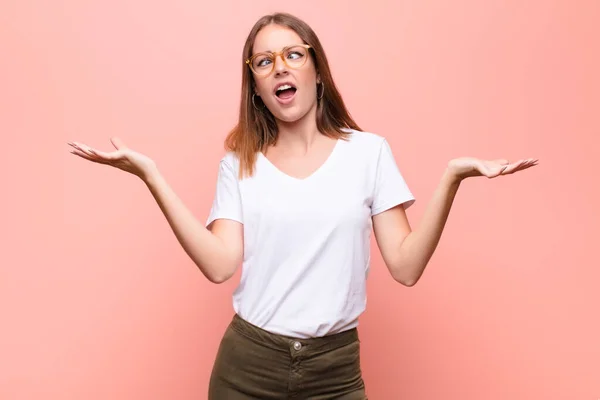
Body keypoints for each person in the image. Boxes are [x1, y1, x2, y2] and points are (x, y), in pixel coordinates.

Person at [67, 11, 537, 400]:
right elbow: (218, 265)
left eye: (293, 54)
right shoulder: (240, 164)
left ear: (317, 71)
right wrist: (152, 175)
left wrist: (452, 177)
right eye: (264, 61)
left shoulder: (368, 152)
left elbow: (406, 267)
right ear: (254, 84)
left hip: (334, 372)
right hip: (247, 368)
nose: (280, 68)